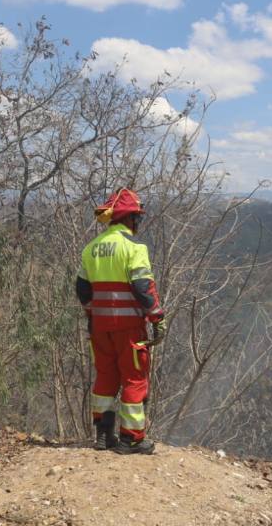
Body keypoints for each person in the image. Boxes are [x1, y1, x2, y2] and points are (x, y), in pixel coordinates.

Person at [76, 188, 167, 455]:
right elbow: (142, 286)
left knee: (105, 377)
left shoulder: (91, 249)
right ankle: (132, 439)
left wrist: (95, 313)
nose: (139, 222)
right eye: (137, 217)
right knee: (134, 379)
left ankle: (103, 436)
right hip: (129, 329)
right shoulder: (134, 248)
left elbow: (82, 290)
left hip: (100, 329)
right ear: (129, 219)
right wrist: (157, 318)